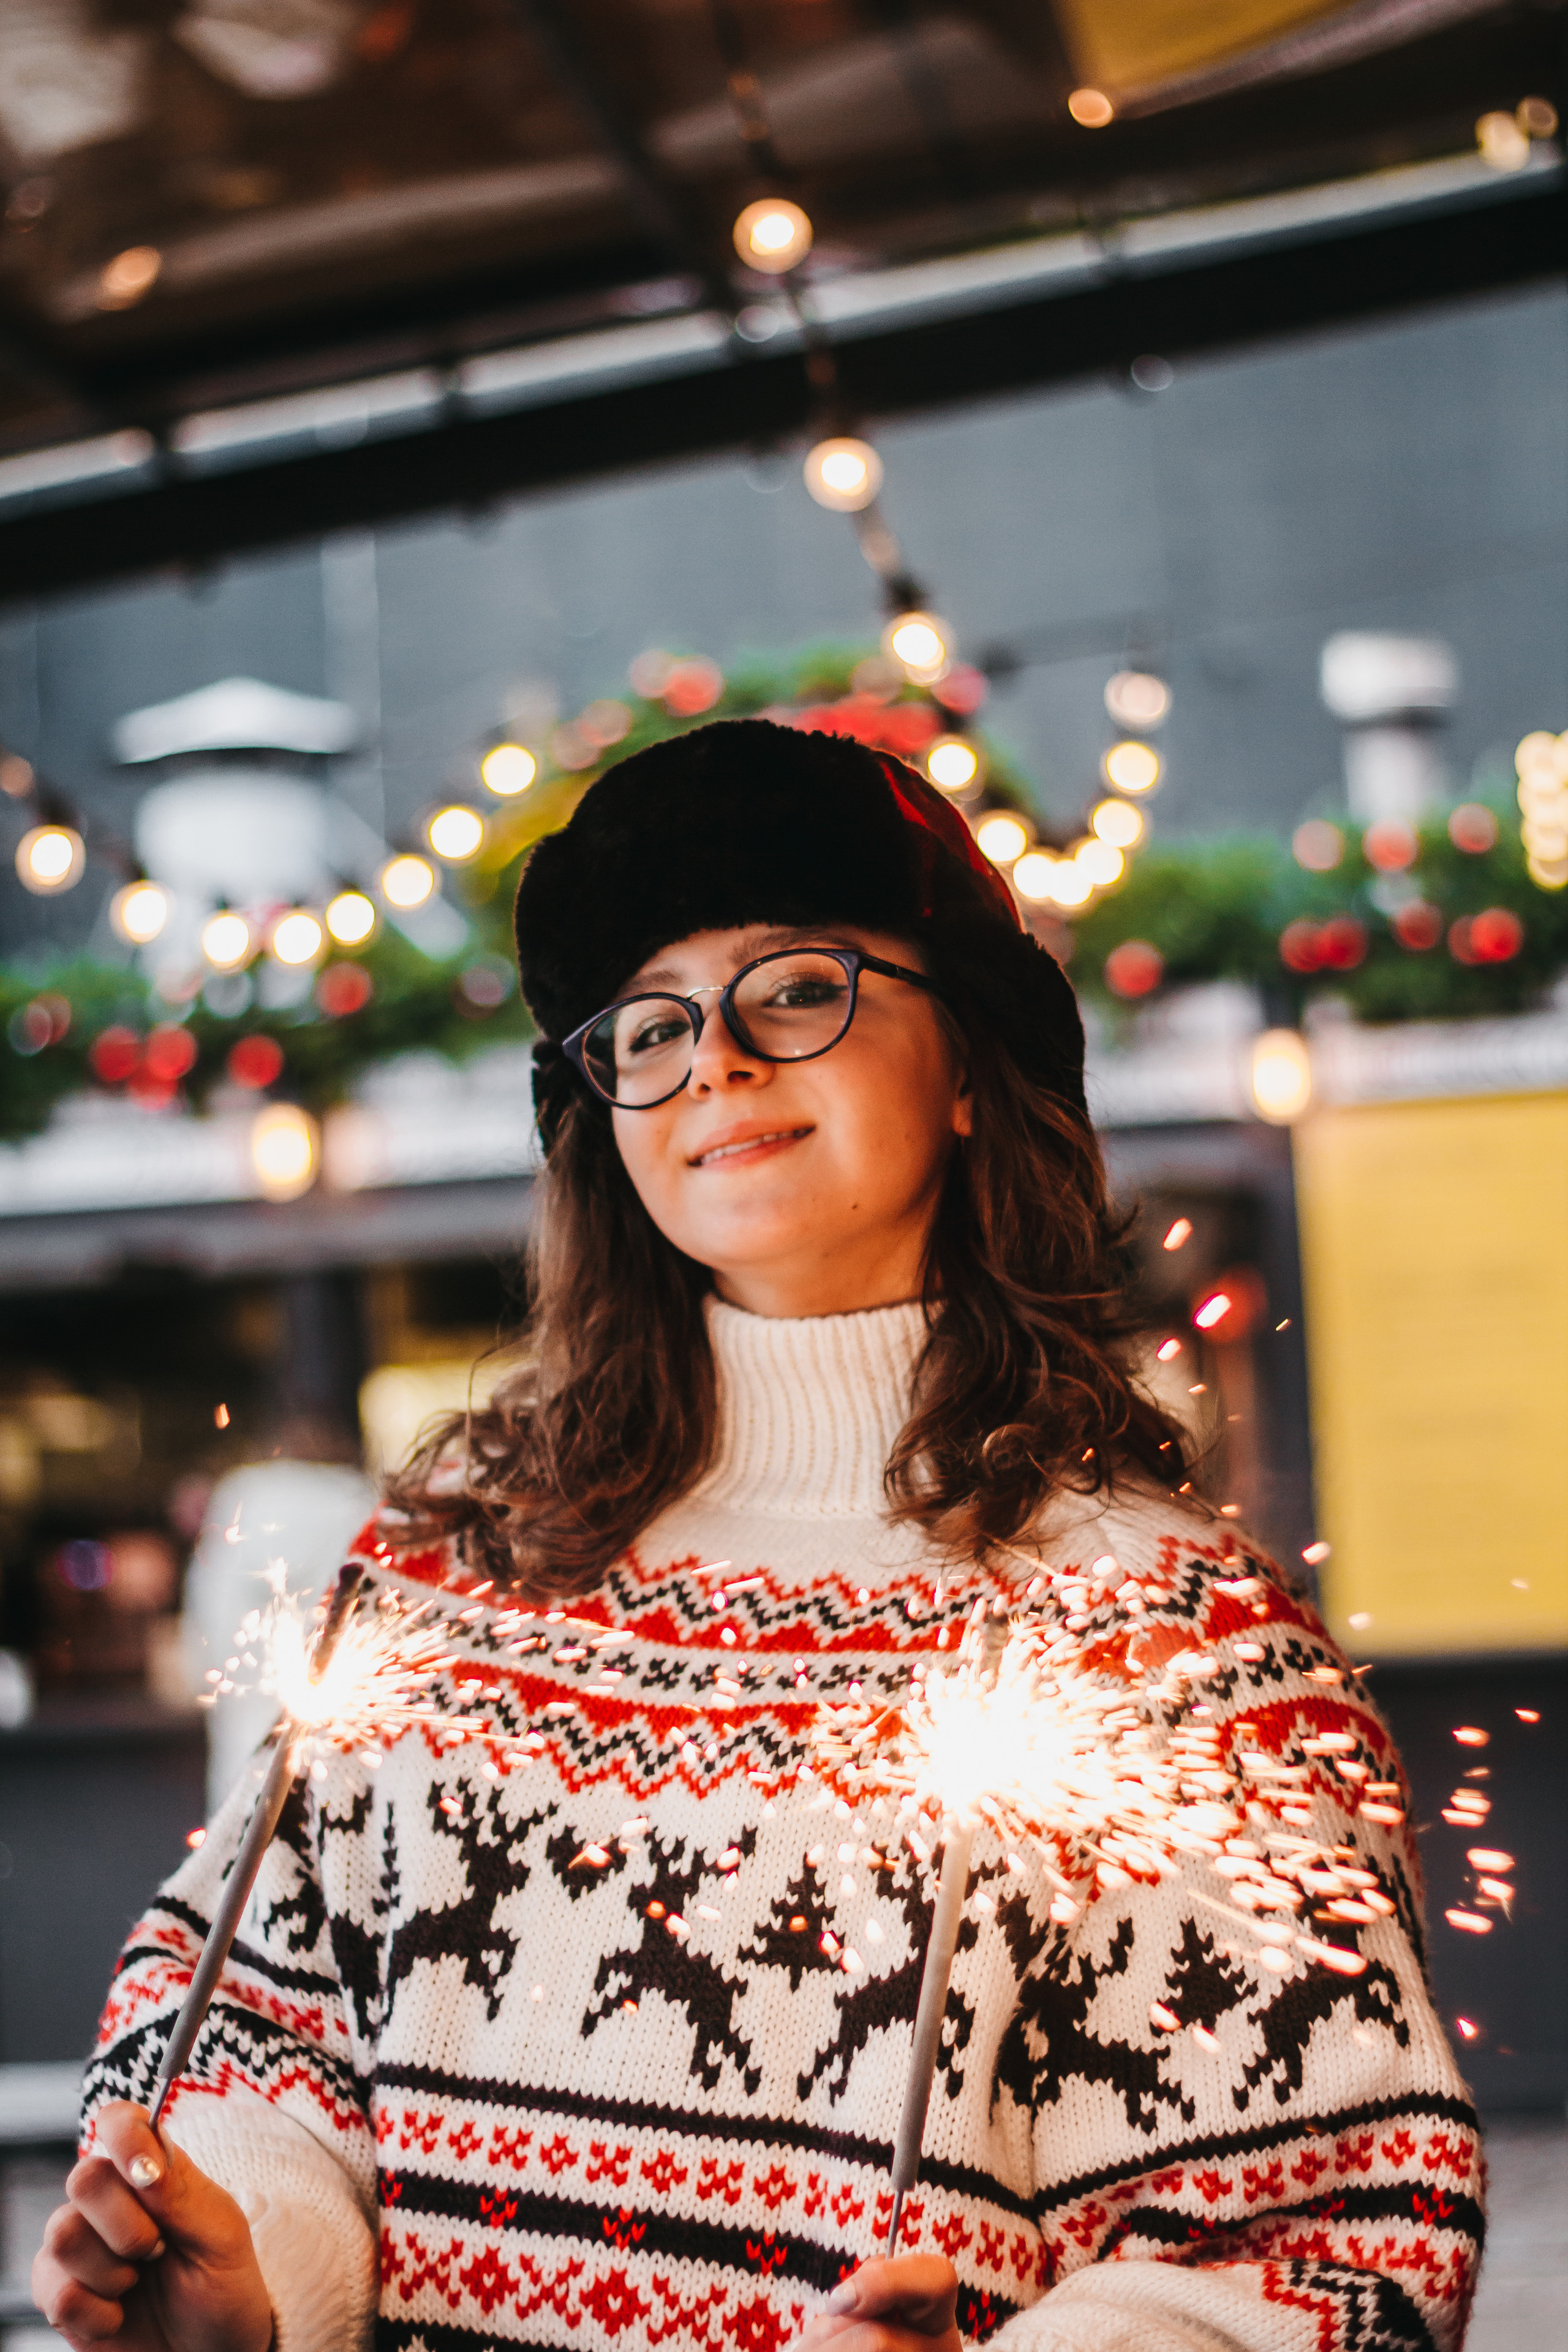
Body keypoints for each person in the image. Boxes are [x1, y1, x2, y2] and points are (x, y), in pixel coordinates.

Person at [40, 721, 1482, 2352]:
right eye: (644, 1027)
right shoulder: (444, 1576)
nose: (713, 1062)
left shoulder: (1178, 1644)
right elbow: (254, 2031)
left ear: (968, 1066)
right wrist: (246, 2260)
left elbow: (1326, 2235)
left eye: (796, 988)